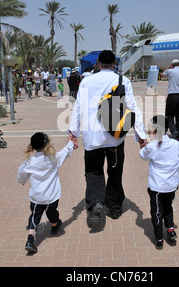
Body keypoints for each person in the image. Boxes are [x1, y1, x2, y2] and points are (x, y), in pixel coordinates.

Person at [68, 50, 147, 227]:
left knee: (94, 172)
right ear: (114, 64)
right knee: (115, 172)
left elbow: (78, 108)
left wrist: (73, 134)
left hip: (92, 138)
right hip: (115, 137)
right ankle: (114, 207)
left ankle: (96, 202)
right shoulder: (123, 80)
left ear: (97, 64)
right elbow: (133, 108)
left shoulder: (86, 81)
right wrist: (141, 135)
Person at [17, 132, 75, 253]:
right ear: (47, 145)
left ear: (32, 146)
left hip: (36, 197)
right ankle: (54, 227)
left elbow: (21, 174)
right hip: (51, 196)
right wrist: (71, 142)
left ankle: (30, 239)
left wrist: (22, 181)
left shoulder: (29, 162)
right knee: (52, 213)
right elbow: (65, 152)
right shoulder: (53, 159)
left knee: (34, 216)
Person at [139, 115, 179, 250]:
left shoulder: (153, 146)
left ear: (155, 131)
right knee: (168, 207)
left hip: (157, 187)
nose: (149, 132)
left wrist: (143, 145)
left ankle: (159, 238)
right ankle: (171, 230)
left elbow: (143, 155)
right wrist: (173, 168)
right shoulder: (176, 144)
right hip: (171, 186)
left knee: (156, 212)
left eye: (150, 130)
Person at [161, 59, 179, 141]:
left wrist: (168, 67)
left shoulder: (170, 71)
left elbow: (162, 75)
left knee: (169, 115)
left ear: (172, 65)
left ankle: (174, 131)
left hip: (172, 96)